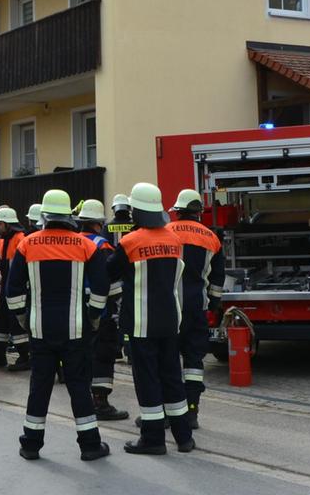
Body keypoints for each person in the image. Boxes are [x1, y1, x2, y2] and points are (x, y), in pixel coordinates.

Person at [7, 190, 111, 461]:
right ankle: (90, 446)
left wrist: (22, 318)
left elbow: (12, 289)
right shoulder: (86, 246)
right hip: (76, 330)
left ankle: (31, 444)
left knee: (39, 387)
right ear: (68, 216)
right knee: (78, 386)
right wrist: (94, 316)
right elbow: (101, 288)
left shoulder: (27, 244)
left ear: (44, 216)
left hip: (40, 330)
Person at [110, 182, 194, 455]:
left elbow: (109, 274)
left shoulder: (130, 242)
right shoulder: (174, 239)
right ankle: (184, 438)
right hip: (171, 321)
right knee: (172, 377)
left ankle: (153, 439)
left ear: (137, 211)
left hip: (141, 323)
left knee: (147, 380)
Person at [167, 189, 224, 429]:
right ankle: (192, 411)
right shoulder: (211, 237)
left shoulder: (166, 232)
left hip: (169, 308)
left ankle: (169, 413)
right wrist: (214, 303)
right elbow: (217, 279)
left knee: (168, 361)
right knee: (193, 361)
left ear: (178, 212)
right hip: (196, 308)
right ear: (200, 212)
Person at [81, 196, 130, 421]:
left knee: (83, 354)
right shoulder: (102, 245)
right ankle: (100, 403)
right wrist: (119, 306)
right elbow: (111, 281)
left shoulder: (73, 242)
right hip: (101, 311)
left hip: (76, 310)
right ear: (99, 222)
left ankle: (84, 399)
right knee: (103, 354)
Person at [0, 206, 30, 370]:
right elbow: (7, 260)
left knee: (16, 322)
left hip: (18, 288)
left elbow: (22, 264)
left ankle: (25, 357)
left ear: (8, 224)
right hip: (6, 286)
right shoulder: (2, 240)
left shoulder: (21, 238)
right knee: (1, 321)